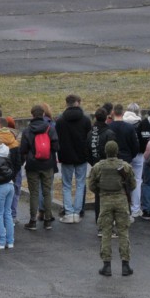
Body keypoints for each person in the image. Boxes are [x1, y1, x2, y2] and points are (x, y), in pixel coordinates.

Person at [87, 140, 134, 277]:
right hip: (121, 201)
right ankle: (125, 265)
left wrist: (101, 192)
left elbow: (91, 185)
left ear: (105, 152)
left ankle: (106, 265)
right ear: (117, 151)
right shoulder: (125, 166)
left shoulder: (98, 167)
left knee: (106, 232)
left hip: (105, 201)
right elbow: (133, 184)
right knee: (123, 232)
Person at [18, 105, 57, 231]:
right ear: (43, 114)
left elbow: (23, 149)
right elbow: (56, 147)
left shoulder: (27, 130)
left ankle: (33, 220)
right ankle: (48, 220)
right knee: (47, 192)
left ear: (32, 115)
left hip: (32, 165)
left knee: (34, 193)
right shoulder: (50, 128)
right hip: (47, 164)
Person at [55, 95, 92, 224]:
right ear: (78, 103)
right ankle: (77, 212)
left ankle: (69, 213)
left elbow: (58, 139)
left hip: (66, 156)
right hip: (81, 156)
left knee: (66, 185)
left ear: (66, 103)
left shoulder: (60, 120)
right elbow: (89, 138)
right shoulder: (85, 120)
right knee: (80, 184)